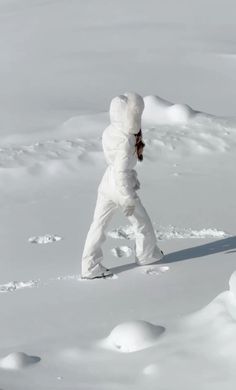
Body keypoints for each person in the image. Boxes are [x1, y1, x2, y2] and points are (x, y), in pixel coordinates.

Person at [81, 92, 164, 279]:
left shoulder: (109, 130)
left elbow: (116, 166)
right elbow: (121, 171)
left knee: (98, 225)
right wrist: (127, 198)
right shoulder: (127, 140)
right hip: (120, 186)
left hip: (106, 183)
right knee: (142, 223)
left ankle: (89, 266)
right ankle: (146, 255)